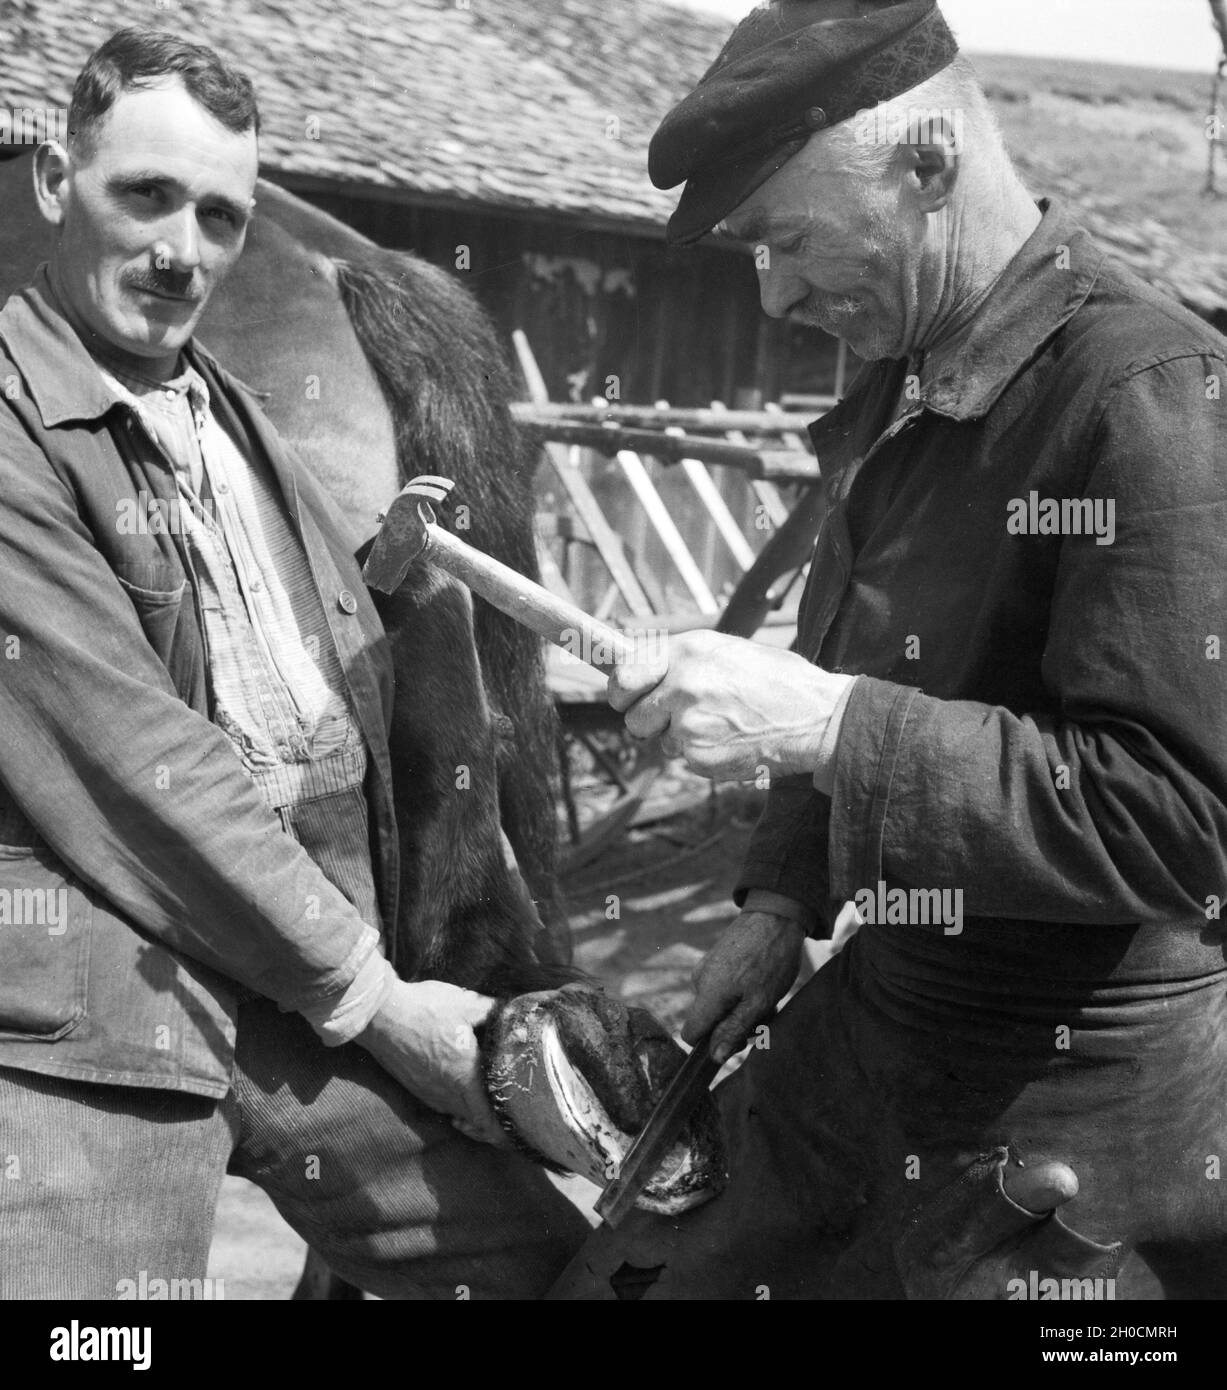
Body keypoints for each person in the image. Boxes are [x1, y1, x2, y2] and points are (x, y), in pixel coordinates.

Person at [587, 0, 1227, 1299]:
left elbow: (1178, 819)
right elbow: (858, 668)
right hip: (889, 1013)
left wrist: (824, 727)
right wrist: (778, 902)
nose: (770, 293)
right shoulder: (900, 389)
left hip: (1084, 1101)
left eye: (785, 240)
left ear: (926, 161)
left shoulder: (1144, 394)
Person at [0, 27, 587, 1300]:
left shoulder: (228, 409)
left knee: (560, 1275)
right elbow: (137, 767)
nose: (184, 251)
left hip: (293, 947)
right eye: (145, 196)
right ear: (56, 182)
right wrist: (383, 1004)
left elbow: (292, 645)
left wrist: (387, 581)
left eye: (222, 215)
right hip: (110, 989)